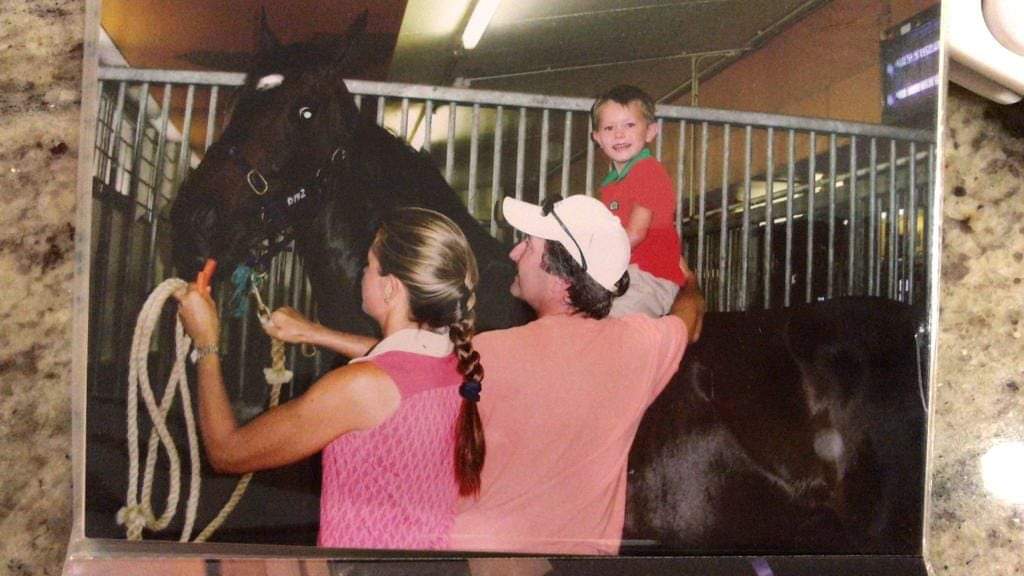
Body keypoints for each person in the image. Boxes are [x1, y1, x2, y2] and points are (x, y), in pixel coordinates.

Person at [263, 195, 704, 555]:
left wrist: (314, 332)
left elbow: (404, 369)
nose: (514, 253)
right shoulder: (643, 344)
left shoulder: (495, 353)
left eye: (529, 246)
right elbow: (690, 319)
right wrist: (690, 283)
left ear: (560, 276)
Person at [174, 207, 485, 551]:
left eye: (369, 265)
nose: (362, 273)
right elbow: (399, 359)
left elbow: (227, 451)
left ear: (391, 289)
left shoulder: (358, 388)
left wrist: (206, 343)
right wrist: (314, 333)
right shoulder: (458, 363)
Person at [592, 84, 688, 317]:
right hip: (624, 275)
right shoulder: (609, 184)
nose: (619, 134)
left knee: (615, 325)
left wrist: (594, 258)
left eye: (630, 125)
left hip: (650, 277)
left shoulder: (648, 171)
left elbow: (635, 233)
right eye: (609, 127)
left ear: (650, 132)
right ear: (597, 138)